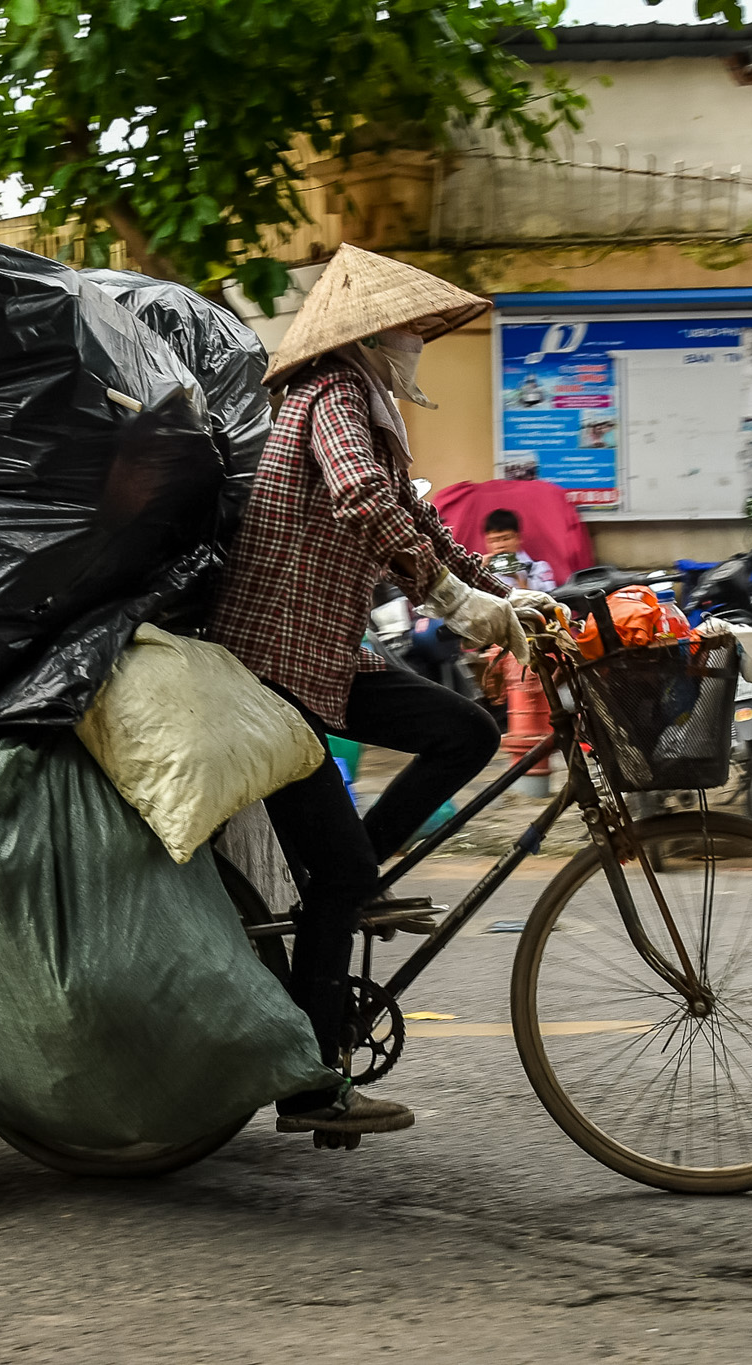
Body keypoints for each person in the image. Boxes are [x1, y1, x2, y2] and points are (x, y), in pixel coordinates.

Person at [209, 244, 559, 1142]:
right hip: (274, 671)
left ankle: (351, 882)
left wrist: (500, 595)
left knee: (466, 730)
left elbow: (416, 519)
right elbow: (367, 500)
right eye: (402, 327)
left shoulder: (365, 408)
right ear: (368, 335)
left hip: (329, 655)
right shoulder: (330, 398)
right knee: (341, 872)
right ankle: (313, 1083)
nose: (413, 340)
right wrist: (449, 600)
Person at [481, 509, 557, 593]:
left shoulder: (537, 568)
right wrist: (480, 570)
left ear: (518, 538)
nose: (501, 545)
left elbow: (550, 601)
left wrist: (519, 578)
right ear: (486, 542)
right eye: (494, 540)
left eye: (506, 538)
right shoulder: (481, 569)